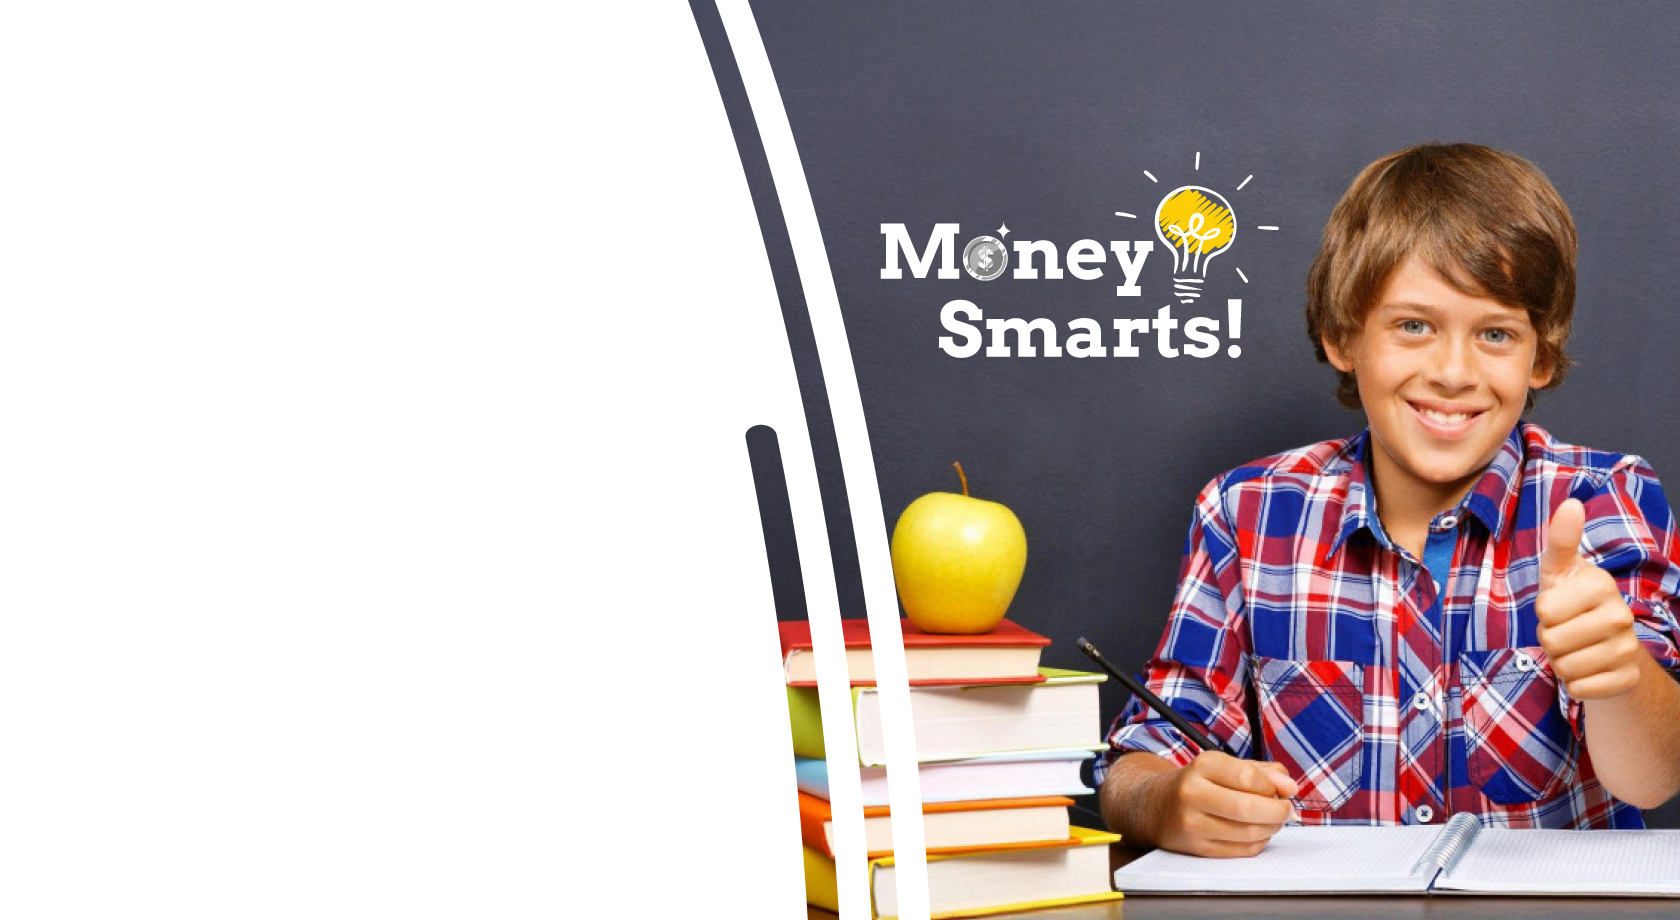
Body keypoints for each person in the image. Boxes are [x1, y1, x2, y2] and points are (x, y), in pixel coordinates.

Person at [1098, 143, 1680, 857]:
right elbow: (1140, 760)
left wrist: (1618, 677)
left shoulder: (1604, 498)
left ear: (1542, 357)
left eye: (1495, 333)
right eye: (1413, 326)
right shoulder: (1247, 513)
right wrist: (1166, 801)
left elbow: (1655, 775)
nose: (1453, 372)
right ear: (1343, 335)